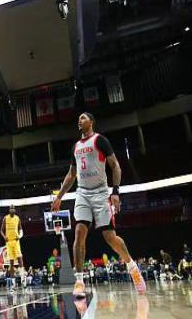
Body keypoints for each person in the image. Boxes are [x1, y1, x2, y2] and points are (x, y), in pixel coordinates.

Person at [51, 112, 146, 297]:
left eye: (83, 118)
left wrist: (115, 191)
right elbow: (71, 175)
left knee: (110, 237)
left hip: (101, 193)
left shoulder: (100, 140)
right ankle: (79, 281)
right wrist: (59, 196)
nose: (79, 120)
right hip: (82, 194)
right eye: (78, 118)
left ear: (92, 122)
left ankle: (132, 267)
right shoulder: (75, 147)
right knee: (79, 233)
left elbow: (115, 166)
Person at [1, 205, 24, 291]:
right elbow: (1, 230)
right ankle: (14, 285)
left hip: (16, 241)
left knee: (20, 260)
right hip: (9, 242)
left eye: (13, 208)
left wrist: (19, 236)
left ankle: (23, 281)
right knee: (11, 263)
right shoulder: (5, 218)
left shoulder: (17, 218)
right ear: (9, 210)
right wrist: (4, 237)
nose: (12, 209)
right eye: (10, 208)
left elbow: (21, 230)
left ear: (15, 210)